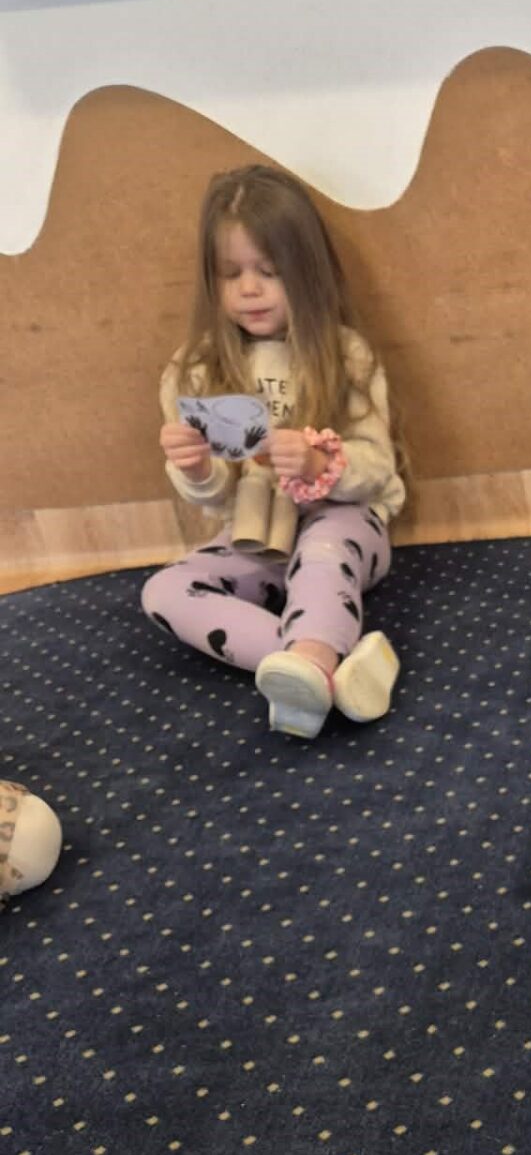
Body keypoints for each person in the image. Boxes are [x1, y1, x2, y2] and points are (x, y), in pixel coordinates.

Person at [141, 165, 403, 739]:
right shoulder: (195, 369)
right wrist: (196, 467)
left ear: (306, 272)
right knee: (163, 590)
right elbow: (217, 502)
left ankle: (310, 661)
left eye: (269, 270)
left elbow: (379, 468)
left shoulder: (345, 354)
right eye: (231, 273)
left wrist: (319, 464)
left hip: (345, 526)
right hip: (257, 539)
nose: (249, 289)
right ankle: (319, 670)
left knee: (324, 549)